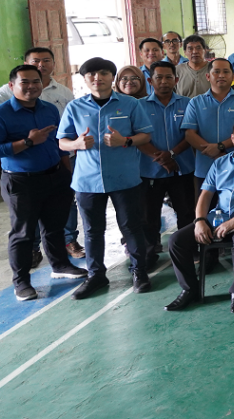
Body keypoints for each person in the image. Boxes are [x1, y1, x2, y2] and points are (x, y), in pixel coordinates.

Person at [0, 65, 88, 301]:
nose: (31, 86)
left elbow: (58, 142)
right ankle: (21, 283)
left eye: (35, 81)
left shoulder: (49, 109)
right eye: (24, 82)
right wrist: (27, 142)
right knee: (23, 234)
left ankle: (60, 266)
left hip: (55, 176)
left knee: (54, 227)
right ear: (12, 86)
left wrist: (66, 173)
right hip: (21, 182)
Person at [0, 48, 82, 259]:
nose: (41, 65)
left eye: (46, 60)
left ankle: (67, 246)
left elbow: (63, 133)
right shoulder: (5, 99)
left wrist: (66, 169)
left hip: (57, 166)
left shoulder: (60, 94)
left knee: (60, 213)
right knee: (25, 225)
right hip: (23, 175)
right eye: (36, 61)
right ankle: (30, 254)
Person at [58, 57, 155, 300]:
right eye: (91, 74)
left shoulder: (130, 104)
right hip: (87, 181)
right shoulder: (75, 107)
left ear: (112, 77)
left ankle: (139, 271)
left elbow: (144, 135)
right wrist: (77, 144)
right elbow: (62, 141)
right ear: (85, 79)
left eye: (103, 73)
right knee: (92, 231)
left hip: (125, 178)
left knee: (132, 227)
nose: (97, 78)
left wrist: (126, 141)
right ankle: (96, 275)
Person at [163, 118, 234, 313]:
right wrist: (199, 221)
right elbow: (206, 194)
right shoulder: (220, 163)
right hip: (220, 217)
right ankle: (190, 290)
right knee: (177, 240)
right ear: (232, 138)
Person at [137, 61, 195, 267]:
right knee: (148, 216)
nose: (163, 81)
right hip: (151, 170)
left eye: (168, 77)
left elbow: (191, 134)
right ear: (150, 80)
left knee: (187, 212)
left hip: (183, 168)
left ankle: (188, 249)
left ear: (176, 80)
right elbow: (138, 137)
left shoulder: (188, 104)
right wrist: (161, 158)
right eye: (158, 77)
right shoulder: (140, 106)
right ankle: (149, 253)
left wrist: (172, 154)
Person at [182, 59, 234, 196]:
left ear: (233, 76)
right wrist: (213, 152)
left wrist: (220, 147)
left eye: (226, 72)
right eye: (216, 72)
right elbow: (189, 134)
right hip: (205, 169)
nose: (221, 75)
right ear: (208, 76)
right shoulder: (196, 102)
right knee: (205, 213)